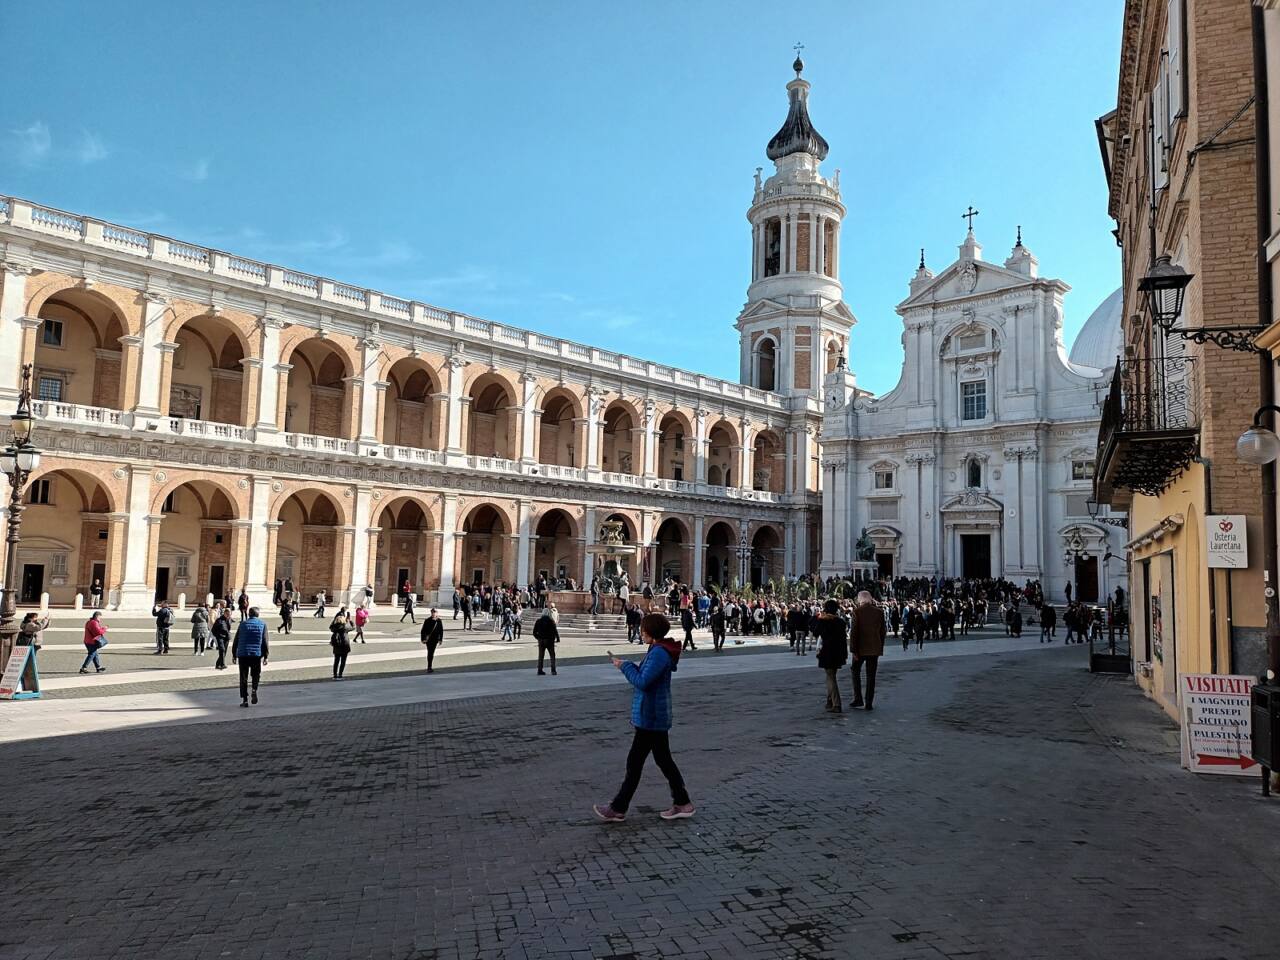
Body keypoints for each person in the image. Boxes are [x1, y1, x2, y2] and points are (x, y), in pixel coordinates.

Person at [593, 613, 694, 823]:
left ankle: (618, 808)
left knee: (635, 763)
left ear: (651, 632)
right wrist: (626, 664)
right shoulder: (657, 650)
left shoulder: (659, 654)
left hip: (651, 716)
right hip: (653, 714)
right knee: (663, 761)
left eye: (643, 629)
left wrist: (626, 667)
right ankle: (683, 802)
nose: (641, 632)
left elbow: (643, 681)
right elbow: (646, 675)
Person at [849, 591, 886, 711]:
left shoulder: (857, 612)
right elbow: (883, 632)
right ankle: (869, 702)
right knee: (871, 676)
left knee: (855, 670)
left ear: (860, 600)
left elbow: (854, 632)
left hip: (860, 649)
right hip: (874, 649)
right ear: (870, 599)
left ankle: (858, 698)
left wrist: (853, 650)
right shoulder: (879, 612)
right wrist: (880, 646)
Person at [814, 599, 848, 714]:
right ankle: (830, 700)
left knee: (830, 677)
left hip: (827, 652)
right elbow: (843, 640)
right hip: (838, 652)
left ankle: (836, 704)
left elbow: (815, 632)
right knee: (831, 676)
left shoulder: (823, 621)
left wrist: (818, 617)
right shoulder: (841, 622)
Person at [233, 606, 269, 707]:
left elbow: (236, 639)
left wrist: (234, 654)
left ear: (249, 614)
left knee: (243, 677)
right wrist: (265, 656)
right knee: (256, 674)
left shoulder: (243, 624)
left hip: (243, 654)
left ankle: (244, 699)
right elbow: (265, 641)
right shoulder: (262, 624)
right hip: (256, 654)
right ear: (258, 615)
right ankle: (254, 689)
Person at [533, 607, 559, 675]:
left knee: (541, 656)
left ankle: (539, 670)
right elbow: (555, 631)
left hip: (541, 640)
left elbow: (534, 632)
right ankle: (553, 670)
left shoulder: (538, 621)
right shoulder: (551, 621)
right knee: (552, 655)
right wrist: (556, 638)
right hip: (549, 640)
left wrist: (538, 638)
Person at [330, 608, 352, 680]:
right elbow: (353, 627)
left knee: (336, 661)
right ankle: (340, 675)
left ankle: (335, 675)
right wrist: (349, 620)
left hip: (337, 646)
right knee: (343, 661)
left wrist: (334, 621)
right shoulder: (345, 627)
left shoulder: (334, 627)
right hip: (344, 646)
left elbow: (331, 626)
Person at [421, 607, 444, 672]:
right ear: (431, 613)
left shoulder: (439, 621)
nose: (433, 613)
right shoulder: (427, 620)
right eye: (432, 612)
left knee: (431, 652)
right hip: (428, 639)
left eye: (435, 612)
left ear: (437, 613)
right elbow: (423, 630)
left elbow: (441, 631)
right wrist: (423, 639)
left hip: (435, 639)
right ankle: (429, 667)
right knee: (430, 652)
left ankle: (429, 666)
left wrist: (440, 639)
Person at [212, 606, 233, 670]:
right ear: (225, 613)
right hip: (220, 637)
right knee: (222, 650)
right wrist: (217, 635)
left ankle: (218, 664)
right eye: (228, 614)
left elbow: (228, 628)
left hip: (227, 637)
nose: (229, 616)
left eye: (230, 614)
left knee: (224, 652)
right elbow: (213, 629)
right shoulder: (219, 620)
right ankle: (223, 664)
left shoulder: (229, 619)